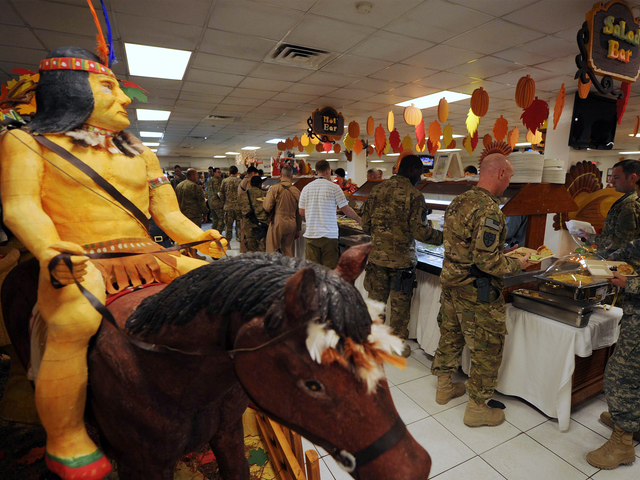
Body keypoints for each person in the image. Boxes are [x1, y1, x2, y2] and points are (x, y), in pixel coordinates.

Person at [0, 46, 227, 479]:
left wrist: (199, 237)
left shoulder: (140, 153)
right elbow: (20, 207)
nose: (124, 99)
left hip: (151, 255)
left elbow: (169, 215)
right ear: (70, 91)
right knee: (73, 322)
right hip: (79, 256)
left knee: (233, 293)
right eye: (109, 87)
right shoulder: (25, 141)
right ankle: (66, 436)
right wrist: (50, 248)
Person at [430, 149, 530, 427]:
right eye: (509, 175)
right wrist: (517, 265)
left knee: (450, 335)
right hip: (477, 290)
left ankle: (443, 387)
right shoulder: (490, 209)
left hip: (451, 283)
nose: (509, 181)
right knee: (487, 348)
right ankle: (477, 408)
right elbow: (486, 260)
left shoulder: (459, 200)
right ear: (500, 173)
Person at [361, 155, 443, 357]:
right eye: (420, 173)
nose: (420, 178)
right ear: (413, 169)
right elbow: (420, 232)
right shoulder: (414, 196)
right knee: (399, 307)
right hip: (401, 262)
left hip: (377, 258)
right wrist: (445, 237)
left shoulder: (377, 189)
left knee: (376, 301)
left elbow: (365, 225)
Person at [299, 160, 361, 268]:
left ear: (317, 171)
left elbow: (301, 211)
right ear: (328, 170)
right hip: (329, 236)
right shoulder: (334, 188)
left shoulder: (306, 188)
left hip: (311, 235)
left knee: (313, 271)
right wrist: (359, 219)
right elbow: (346, 209)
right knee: (329, 272)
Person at [579, 159, 640, 258]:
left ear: (632, 178)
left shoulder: (630, 204)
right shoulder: (628, 200)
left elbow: (621, 242)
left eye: (616, 177)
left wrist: (591, 238)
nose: (611, 181)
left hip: (620, 265)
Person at [264, 165, 301, 257]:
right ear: (292, 177)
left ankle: (273, 270)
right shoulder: (296, 191)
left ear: (281, 175)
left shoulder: (275, 188)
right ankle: (289, 270)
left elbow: (267, 207)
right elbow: (299, 212)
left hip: (278, 221)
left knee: (272, 250)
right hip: (292, 222)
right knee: (289, 250)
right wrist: (298, 228)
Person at [176, 168, 208, 259]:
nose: (198, 178)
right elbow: (201, 202)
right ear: (192, 176)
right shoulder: (194, 186)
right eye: (197, 176)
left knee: (184, 235)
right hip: (194, 215)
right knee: (194, 235)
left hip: (182, 215)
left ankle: (185, 252)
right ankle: (194, 254)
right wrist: (205, 214)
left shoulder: (179, 186)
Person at [238, 176, 269, 252]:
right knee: (263, 249)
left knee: (251, 249)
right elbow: (269, 209)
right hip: (262, 225)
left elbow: (238, 211)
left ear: (251, 184)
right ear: (260, 184)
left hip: (248, 225)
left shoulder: (243, 195)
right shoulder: (265, 195)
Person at [237, 166, 260, 253]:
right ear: (253, 174)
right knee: (248, 233)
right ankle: (246, 250)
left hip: (243, 209)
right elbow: (252, 194)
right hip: (248, 211)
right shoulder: (248, 181)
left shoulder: (243, 180)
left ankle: (243, 249)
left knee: (243, 231)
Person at [220, 165, 242, 243]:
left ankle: (227, 243)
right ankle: (241, 244)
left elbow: (221, 194)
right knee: (239, 226)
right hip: (238, 207)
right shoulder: (240, 181)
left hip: (228, 207)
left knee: (228, 226)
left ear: (229, 172)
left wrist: (223, 203)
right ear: (237, 172)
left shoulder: (225, 181)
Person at [206, 167, 224, 232]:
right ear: (214, 173)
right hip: (217, 202)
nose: (220, 174)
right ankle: (218, 233)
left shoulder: (210, 180)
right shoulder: (216, 181)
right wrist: (223, 200)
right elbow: (218, 192)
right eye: (218, 172)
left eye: (220, 172)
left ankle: (213, 233)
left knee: (215, 219)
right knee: (221, 218)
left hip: (211, 202)